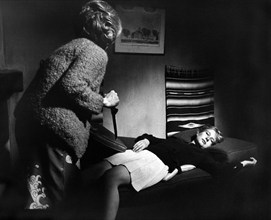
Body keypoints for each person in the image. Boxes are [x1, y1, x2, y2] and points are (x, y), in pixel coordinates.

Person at [13, 0, 122, 209]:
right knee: (57, 203)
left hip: (32, 127)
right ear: (108, 31)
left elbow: (66, 84)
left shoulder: (73, 46)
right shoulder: (96, 52)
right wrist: (104, 100)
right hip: (53, 134)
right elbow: (71, 85)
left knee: (35, 199)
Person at [79, 125, 257, 220]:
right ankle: (65, 204)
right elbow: (150, 137)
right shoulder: (177, 140)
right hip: (139, 153)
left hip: (154, 163)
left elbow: (221, 171)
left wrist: (243, 163)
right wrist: (147, 141)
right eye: (207, 134)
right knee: (96, 169)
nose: (207, 139)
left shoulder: (202, 155)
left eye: (211, 141)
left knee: (111, 177)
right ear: (198, 132)